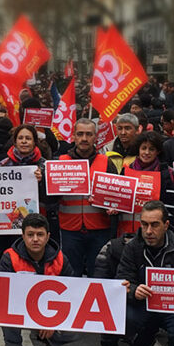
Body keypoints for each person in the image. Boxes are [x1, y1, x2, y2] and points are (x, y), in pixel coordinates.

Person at [116, 200, 174, 346]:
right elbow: (122, 278)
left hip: (173, 310)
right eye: (144, 224)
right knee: (125, 317)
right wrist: (134, 291)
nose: (148, 231)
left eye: (154, 225)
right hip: (143, 305)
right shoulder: (132, 248)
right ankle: (142, 344)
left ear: (166, 225)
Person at [0, 213, 74, 346]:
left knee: (76, 329)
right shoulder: (9, 257)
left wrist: (53, 321)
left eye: (40, 234)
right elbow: (2, 293)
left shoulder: (60, 259)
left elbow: (71, 294)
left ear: (48, 236)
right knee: (4, 307)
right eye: (30, 234)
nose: (35, 239)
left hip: (49, 308)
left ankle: (50, 342)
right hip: (19, 305)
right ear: (23, 235)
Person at [57, 118, 118, 277]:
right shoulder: (60, 163)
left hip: (100, 229)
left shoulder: (106, 162)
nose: (84, 138)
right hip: (70, 229)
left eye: (89, 134)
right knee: (71, 275)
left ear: (95, 137)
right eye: (80, 134)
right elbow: (50, 199)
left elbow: (117, 195)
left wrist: (114, 206)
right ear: (74, 136)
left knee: (98, 274)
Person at [0, 124, 48, 268]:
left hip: (36, 224)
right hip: (8, 223)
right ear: (15, 141)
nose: (24, 141)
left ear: (34, 142)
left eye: (28, 138)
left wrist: (42, 181)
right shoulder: (2, 165)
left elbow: (51, 199)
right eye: (20, 138)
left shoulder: (44, 165)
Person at [118, 131, 174, 236]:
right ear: (138, 149)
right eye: (143, 148)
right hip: (127, 233)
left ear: (158, 151)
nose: (147, 152)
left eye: (151, 149)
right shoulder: (125, 171)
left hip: (156, 234)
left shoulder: (167, 173)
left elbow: (172, 204)